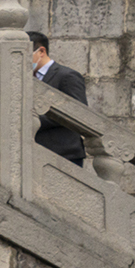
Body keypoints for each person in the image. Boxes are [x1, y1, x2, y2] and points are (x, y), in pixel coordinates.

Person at [28, 30, 89, 166]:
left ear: (41, 52)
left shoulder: (67, 76)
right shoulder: (28, 79)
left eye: (26, 55)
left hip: (65, 153)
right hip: (36, 151)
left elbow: (78, 112)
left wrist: (32, 118)